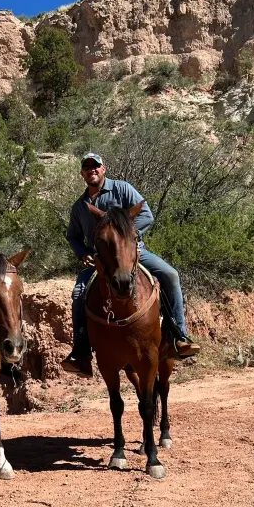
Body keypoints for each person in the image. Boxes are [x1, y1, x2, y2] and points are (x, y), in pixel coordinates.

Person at [61, 152, 200, 377]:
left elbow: (146, 215)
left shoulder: (122, 189)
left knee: (170, 275)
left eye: (95, 166)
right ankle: (81, 353)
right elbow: (73, 236)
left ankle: (178, 336)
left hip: (134, 253)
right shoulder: (80, 207)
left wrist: (128, 239)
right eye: (87, 168)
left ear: (103, 168)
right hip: (100, 259)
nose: (91, 170)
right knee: (78, 294)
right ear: (82, 173)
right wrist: (83, 253)